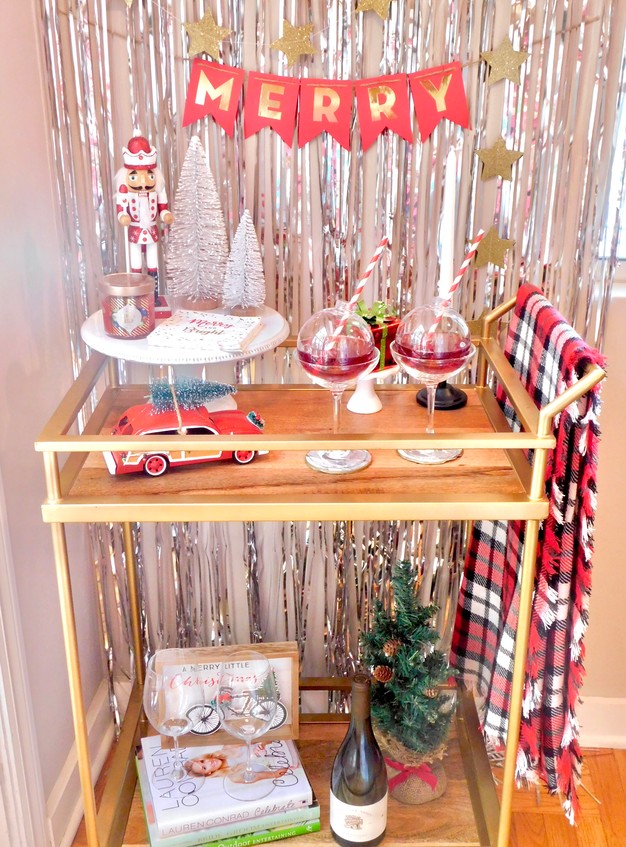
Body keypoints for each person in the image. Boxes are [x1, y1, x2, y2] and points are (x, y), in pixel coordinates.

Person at [115, 134, 173, 300]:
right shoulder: (125, 191)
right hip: (135, 231)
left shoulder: (157, 191)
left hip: (152, 231)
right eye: (134, 176)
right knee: (136, 264)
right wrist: (123, 217)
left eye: (148, 176)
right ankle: (137, 297)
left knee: (153, 263)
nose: (142, 181)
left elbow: (163, 208)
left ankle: (153, 297)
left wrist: (166, 215)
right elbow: (121, 209)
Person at [184, 744, 289, 784]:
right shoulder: (235, 778)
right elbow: (272, 775)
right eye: (204, 767)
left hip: (281, 745)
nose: (208, 762)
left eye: (203, 760)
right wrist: (283, 770)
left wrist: (262, 744)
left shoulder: (229, 746)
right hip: (285, 762)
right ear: (209, 773)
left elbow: (264, 736)